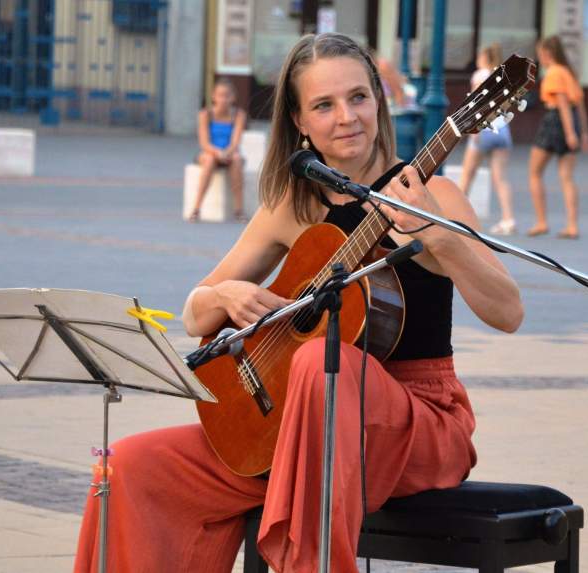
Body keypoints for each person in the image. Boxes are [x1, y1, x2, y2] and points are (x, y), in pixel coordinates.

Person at [72, 33, 523, 573]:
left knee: (317, 361)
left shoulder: (432, 195)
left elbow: (508, 312)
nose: (347, 117)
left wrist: (441, 237)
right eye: (324, 105)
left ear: (379, 98)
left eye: (358, 97)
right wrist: (224, 294)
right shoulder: (293, 204)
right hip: (294, 424)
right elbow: (194, 314)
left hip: (417, 422)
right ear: (299, 121)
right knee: (132, 468)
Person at [527, 35, 588, 239]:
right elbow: (579, 106)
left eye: (540, 54)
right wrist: (583, 133)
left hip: (555, 121)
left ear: (547, 53)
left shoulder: (554, 73)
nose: (540, 58)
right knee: (567, 177)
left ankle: (541, 221)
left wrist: (570, 133)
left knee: (535, 172)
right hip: (571, 121)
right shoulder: (569, 73)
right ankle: (572, 225)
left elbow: (562, 103)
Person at [457, 43, 516, 235]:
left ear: (484, 57)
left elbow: (475, 103)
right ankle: (509, 219)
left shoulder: (480, 75)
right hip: (502, 129)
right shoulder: (503, 77)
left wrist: (469, 129)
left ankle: (457, 217)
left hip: (483, 129)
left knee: (467, 175)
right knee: (501, 178)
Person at [191, 79, 248, 223]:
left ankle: (239, 210)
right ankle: (196, 208)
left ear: (233, 97)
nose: (223, 99)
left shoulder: (239, 115)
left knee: (236, 160)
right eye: (220, 95)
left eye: (227, 95)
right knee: (209, 160)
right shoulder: (205, 114)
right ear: (213, 97)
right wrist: (218, 153)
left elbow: (236, 141)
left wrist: (227, 152)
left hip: (230, 152)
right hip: (210, 152)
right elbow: (204, 142)